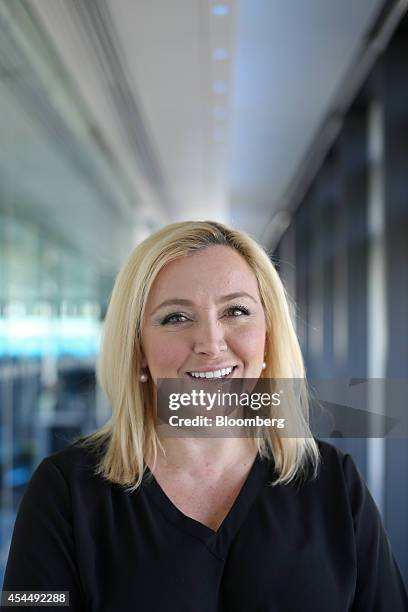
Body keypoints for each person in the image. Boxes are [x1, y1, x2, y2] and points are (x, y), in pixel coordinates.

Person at [3, 220, 407, 611]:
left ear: (268, 335)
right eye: (176, 317)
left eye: (236, 311)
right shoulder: (65, 493)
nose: (211, 344)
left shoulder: (335, 484)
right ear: (138, 346)